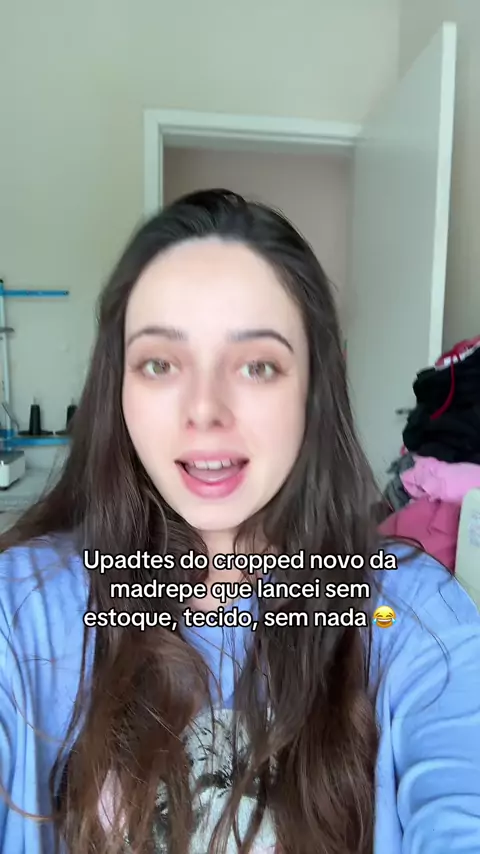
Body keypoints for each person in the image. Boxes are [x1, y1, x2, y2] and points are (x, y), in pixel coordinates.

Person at [0, 189, 479, 854]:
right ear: (119, 385)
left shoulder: (413, 618)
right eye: (160, 363)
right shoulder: (21, 609)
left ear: (315, 387)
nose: (205, 410)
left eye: (257, 366)